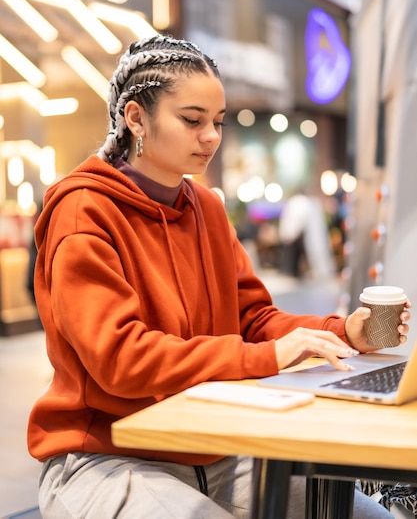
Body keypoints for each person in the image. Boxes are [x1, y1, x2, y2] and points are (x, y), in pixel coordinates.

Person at [27, 35, 410, 519]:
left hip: (215, 446)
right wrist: (266, 356)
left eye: (218, 122)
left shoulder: (206, 206)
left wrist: (342, 333)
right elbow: (119, 359)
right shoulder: (84, 210)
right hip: (105, 458)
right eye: (192, 120)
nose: (211, 136)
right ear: (136, 118)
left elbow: (254, 318)